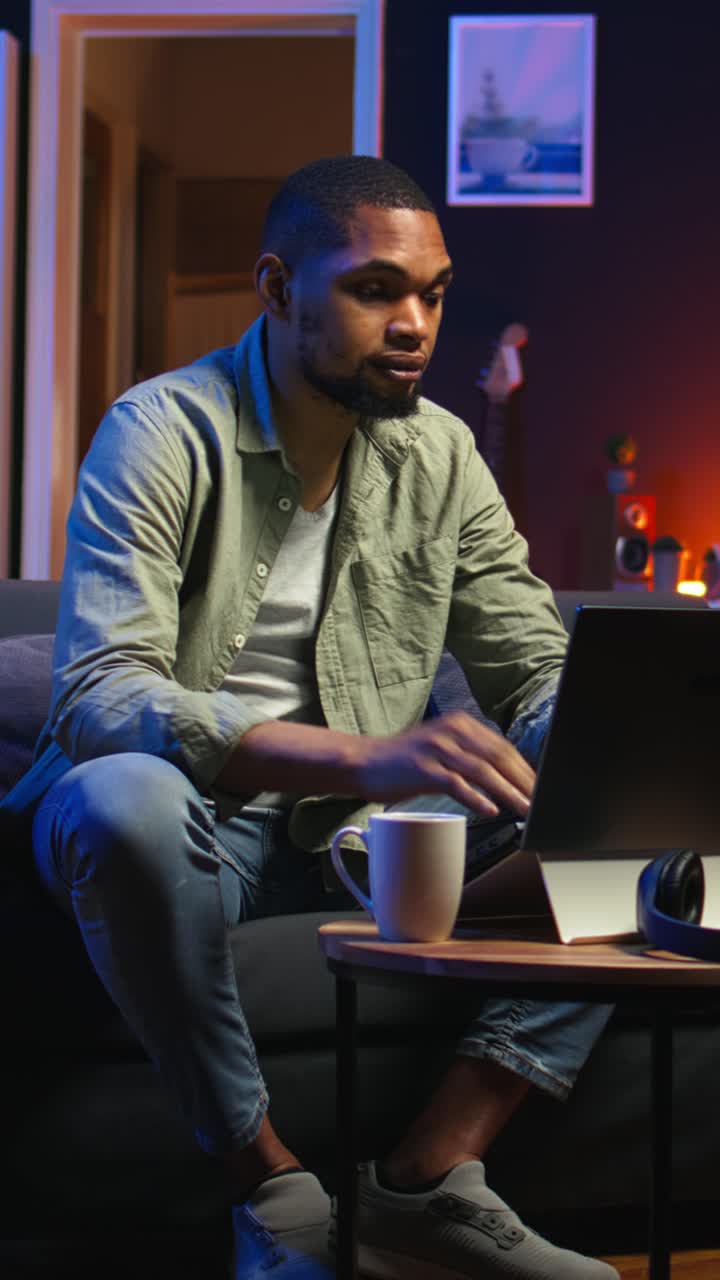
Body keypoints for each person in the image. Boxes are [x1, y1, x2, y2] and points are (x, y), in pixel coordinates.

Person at [4, 155, 617, 1280]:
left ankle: (428, 1179)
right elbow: (103, 696)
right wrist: (371, 758)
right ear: (279, 287)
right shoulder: (161, 428)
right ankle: (272, 1188)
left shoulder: (441, 453)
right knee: (124, 798)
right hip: (200, 824)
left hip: (367, 845)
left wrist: (601, 745)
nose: (414, 325)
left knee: (641, 792)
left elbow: (534, 668)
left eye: (432, 293)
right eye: (376, 289)